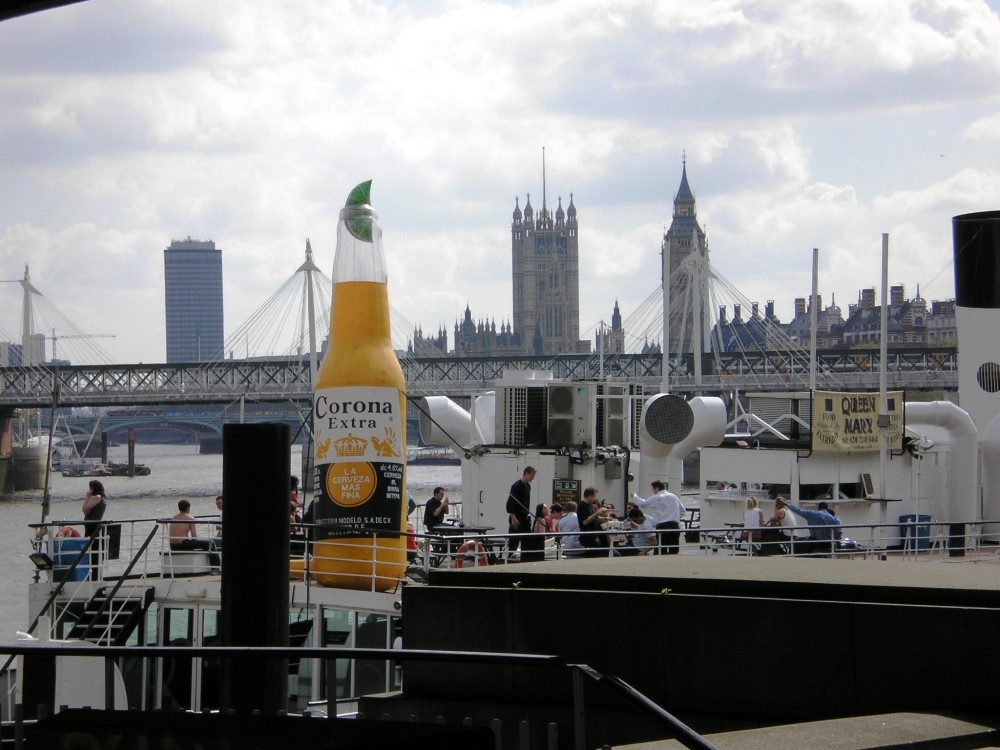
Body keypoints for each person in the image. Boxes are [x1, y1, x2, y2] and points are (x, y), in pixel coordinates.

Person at [632, 480, 686, 554]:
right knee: (674, 550)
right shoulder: (674, 496)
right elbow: (683, 511)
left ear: (656, 488)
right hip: (674, 526)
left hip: (662, 526)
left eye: (653, 489)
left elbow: (643, 504)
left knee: (660, 550)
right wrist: (674, 517)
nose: (653, 491)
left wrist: (634, 496)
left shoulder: (657, 497)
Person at [169, 499, 221, 568]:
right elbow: (194, 536)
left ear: (179, 508)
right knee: (210, 543)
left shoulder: (173, 518)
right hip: (183, 544)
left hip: (173, 546)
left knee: (205, 543)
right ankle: (216, 569)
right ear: (188, 508)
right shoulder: (190, 518)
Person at [505, 466, 536, 558]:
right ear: (526, 473)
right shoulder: (516, 486)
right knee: (514, 540)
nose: (532, 478)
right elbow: (510, 503)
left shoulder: (528, 486)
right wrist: (513, 518)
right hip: (517, 517)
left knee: (528, 538)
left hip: (525, 517)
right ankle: (510, 557)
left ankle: (527, 556)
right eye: (531, 476)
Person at [578, 487, 613, 553]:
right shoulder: (582, 506)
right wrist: (597, 513)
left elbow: (596, 518)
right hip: (589, 536)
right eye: (594, 496)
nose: (595, 498)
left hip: (595, 535)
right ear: (590, 496)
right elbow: (585, 521)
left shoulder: (590, 505)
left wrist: (606, 519)